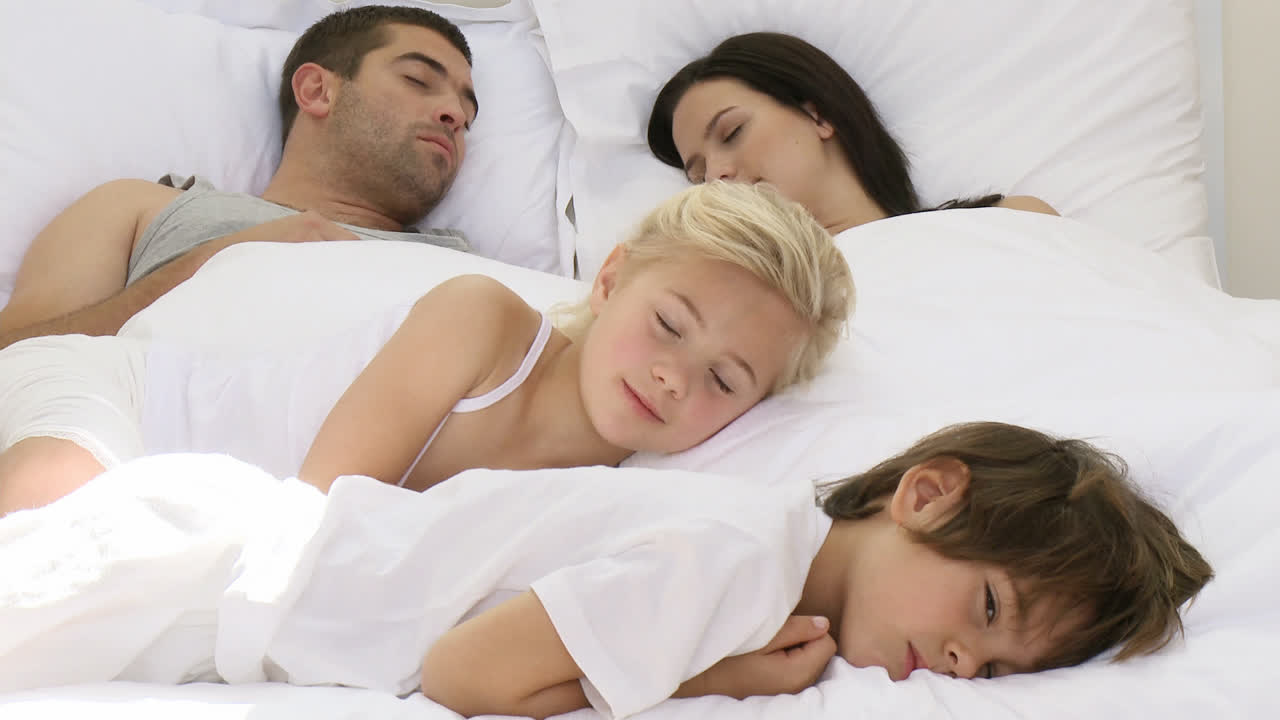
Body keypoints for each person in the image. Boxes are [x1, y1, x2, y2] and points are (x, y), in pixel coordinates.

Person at [0, 422, 1212, 719]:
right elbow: (464, 676)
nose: (957, 660)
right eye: (984, 607)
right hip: (199, 568)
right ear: (925, 492)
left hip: (216, 561)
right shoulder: (734, 564)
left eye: (994, 666)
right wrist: (712, 681)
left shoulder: (752, 541)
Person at [0, 181, 855, 515]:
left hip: (200, 487)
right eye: (670, 323)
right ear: (609, 280)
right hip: (132, 403)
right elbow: (310, 518)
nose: (675, 375)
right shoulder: (481, 321)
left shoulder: (618, 492)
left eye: (726, 379)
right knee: (55, 514)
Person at [0, 5, 478, 351]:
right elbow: (13, 358)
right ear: (317, 91)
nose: (454, 114)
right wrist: (211, 266)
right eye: (418, 81)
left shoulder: (474, 274)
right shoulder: (141, 209)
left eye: (468, 114)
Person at [647, 32, 1059, 237]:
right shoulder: (742, 317)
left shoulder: (1011, 227)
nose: (716, 176)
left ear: (818, 115)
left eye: (732, 131)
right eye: (698, 177)